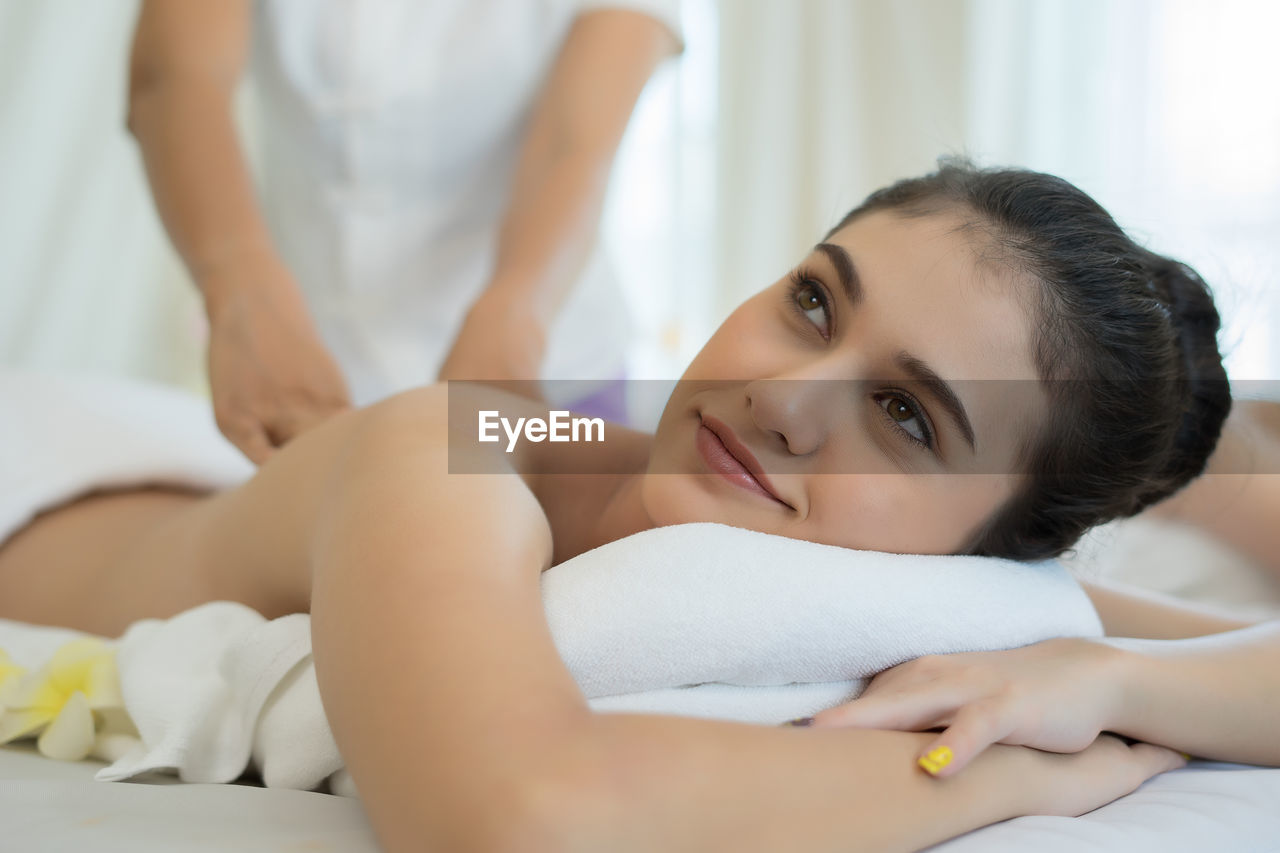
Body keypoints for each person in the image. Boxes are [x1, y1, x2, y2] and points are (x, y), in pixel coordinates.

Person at [3, 162, 1278, 852]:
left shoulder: (942, 589)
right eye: (813, 302)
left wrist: (1106, 684)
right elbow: (515, 817)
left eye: (904, 415)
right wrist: (1003, 783)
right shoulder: (456, 451)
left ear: (985, 568)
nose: (779, 391)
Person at [127, 0, 682, 464]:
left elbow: (573, 144)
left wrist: (514, 321)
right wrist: (240, 289)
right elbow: (176, 78)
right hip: (304, 388)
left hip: (553, 376)